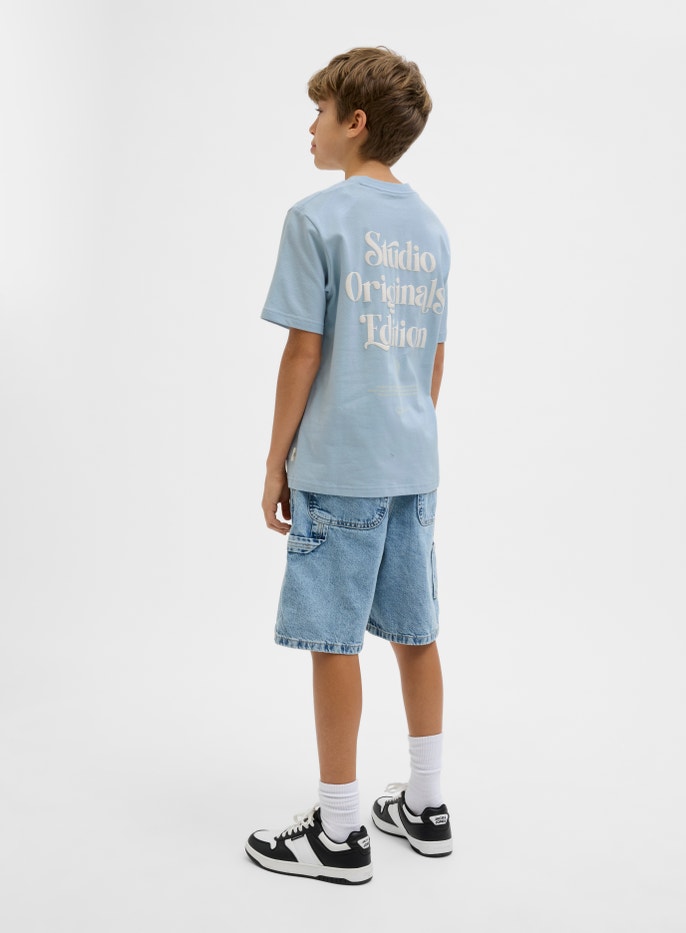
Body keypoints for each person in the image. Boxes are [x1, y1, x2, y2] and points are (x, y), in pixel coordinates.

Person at [245, 46, 452, 885]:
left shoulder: (316, 218)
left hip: (339, 465)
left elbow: (304, 351)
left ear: (355, 122)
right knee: (416, 632)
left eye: (320, 113)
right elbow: (434, 355)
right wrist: (411, 431)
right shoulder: (430, 225)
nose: (311, 127)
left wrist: (276, 461)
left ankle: (339, 831)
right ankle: (427, 805)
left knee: (334, 639)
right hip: (412, 464)